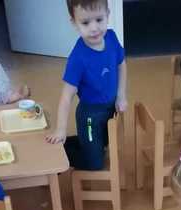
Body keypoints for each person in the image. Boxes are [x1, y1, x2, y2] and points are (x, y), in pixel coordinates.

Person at [45, 0, 127, 170]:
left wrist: (121, 95)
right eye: (85, 22)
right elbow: (66, 97)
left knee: (102, 145)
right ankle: (56, 154)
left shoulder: (111, 38)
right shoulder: (78, 58)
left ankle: (83, 143)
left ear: (108, 15)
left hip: (110, 109)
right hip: (90, 115)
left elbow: (121, 65)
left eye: (99, 19)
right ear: (74, 23)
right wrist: (60, 129)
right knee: (94, 163)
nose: (94, 28)